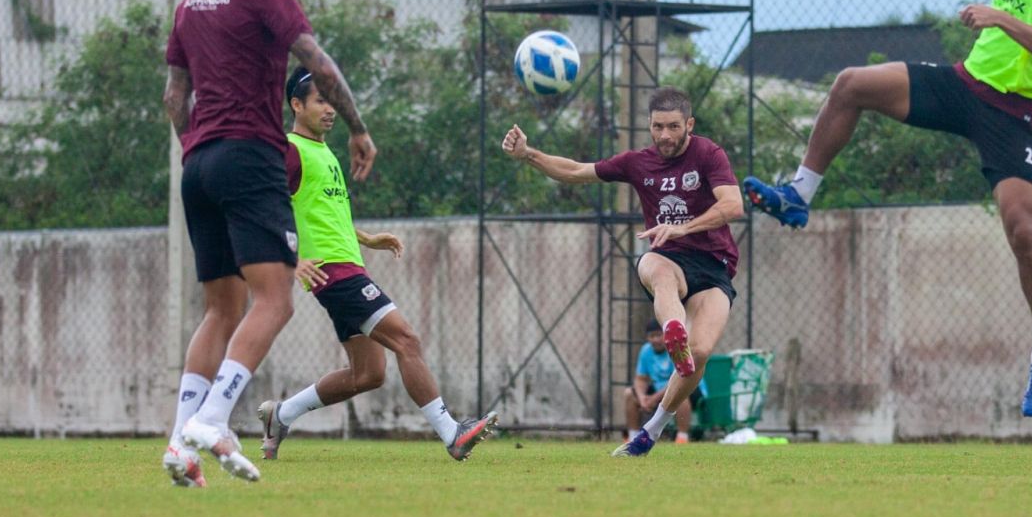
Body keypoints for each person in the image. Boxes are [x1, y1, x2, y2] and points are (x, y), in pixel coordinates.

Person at [743, 0, 1032, 419]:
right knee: (851, 84)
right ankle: (798, 193)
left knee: (1024, 232)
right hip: (963, 86)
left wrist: (1000, 17)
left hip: (1013, 115)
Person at [161, 0, 376, 486]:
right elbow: (320, 66)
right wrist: (358, 128)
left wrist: (198, 152)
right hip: (250, 156)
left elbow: (173, 100)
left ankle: (180, 445)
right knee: (275, 298)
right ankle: (212, 418)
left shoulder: (190, 4)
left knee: (221, 308)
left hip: (198, 163)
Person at [255, 67, 498, 461]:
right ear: (296, 105)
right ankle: (451, 432)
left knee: (369, 374)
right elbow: (264, 206)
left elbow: (321, 214)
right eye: (320, 101)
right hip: (332, 272)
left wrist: (366, 238)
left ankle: (281, 414)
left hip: (347, 265)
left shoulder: (324, 152)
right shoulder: (290, 150)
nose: (330, 109)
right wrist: (291, 258)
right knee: (407, 339)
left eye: (333, 101)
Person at [501, 86, 744, 457]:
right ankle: (672, 328)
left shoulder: (709, 154)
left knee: (702, 350)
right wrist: (527, 154)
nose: (665, 135)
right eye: (657, 127)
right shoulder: (638, 162)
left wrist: (683, 226)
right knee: (658, 269)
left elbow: (733, 205)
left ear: (689, 124)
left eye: (673, 127)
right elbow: (576, 171)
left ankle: (652, 430)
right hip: (666, 256)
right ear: (649, 125)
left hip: (713, 265)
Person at [625, 318, 707, 444]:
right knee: (629, 394)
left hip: (691, 387)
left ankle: (682, 438)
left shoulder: (678, 348)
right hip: (659, 390)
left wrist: (654, 398)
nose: (655, 340)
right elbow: (640, 379)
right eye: (651, 336)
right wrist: (642, 398)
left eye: (659, 335)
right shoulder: (646, 350)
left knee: (680, 394)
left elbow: (682, 378)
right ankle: (633, 438)